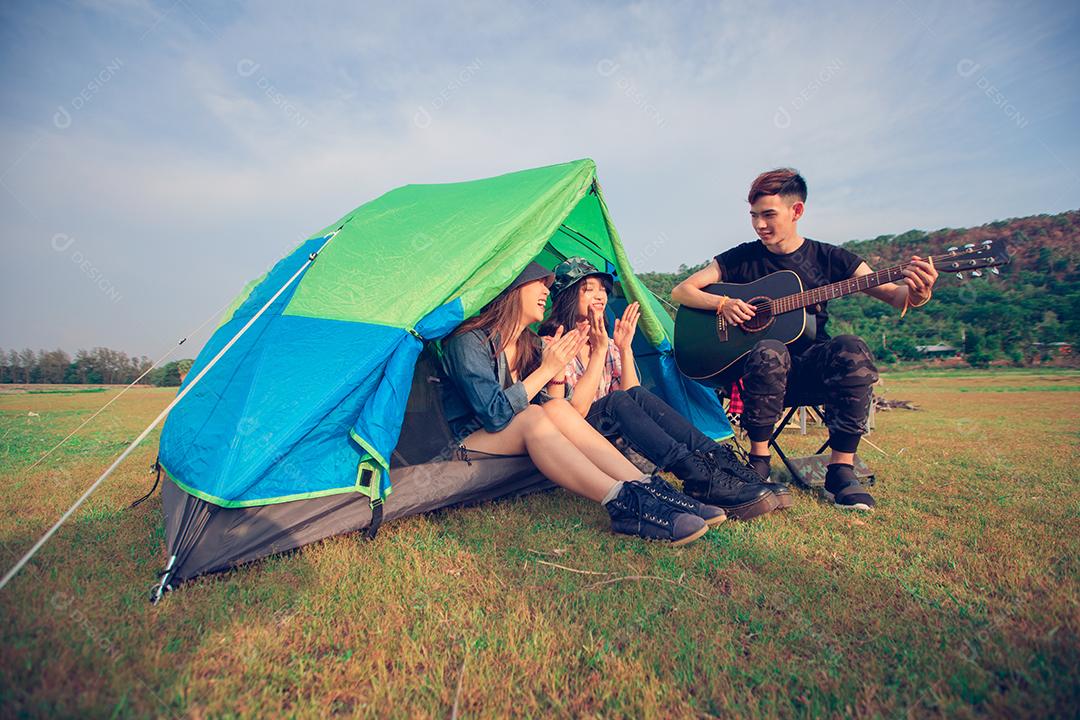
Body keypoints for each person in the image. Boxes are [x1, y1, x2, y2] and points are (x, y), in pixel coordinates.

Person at [672, 168, 938, 510]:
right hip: (759, 379)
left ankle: (841, 470)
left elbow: (896, 296)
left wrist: (919, 293)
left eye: (769, 215)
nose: (759, 225)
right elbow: (682, 291)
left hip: (814, 373)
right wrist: (722, 303)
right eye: (754, 216)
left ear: (796, 211)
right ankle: (758, 463)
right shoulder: (741, 258)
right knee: (769, 350)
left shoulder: (830, 258)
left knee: (852, 347)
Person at [439, 261, 725, 546]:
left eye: (548, 285)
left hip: (512, 435)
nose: (546, 291)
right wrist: (546, 370)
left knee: (553, 408)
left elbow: (557, 410)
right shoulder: (468, 341)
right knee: (533, 416)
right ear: (511, 287)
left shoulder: (531, 344)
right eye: (539, 283)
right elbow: (494, 414)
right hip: (466, 443)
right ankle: (622, 501)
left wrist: (556, 374)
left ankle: (648, 487)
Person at [538, 257, 784, 520]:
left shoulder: (606, 344)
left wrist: (624, 348)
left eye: (603, 289)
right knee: (615, 401)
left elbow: (633, 397)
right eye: (588, 289)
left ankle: (725, 465)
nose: (600, 296)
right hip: (577, 436)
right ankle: (699, 478)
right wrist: (598, 353)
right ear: (566, 297)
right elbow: (573, 413)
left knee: (633, 395)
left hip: (611, 433)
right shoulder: (551, 344)